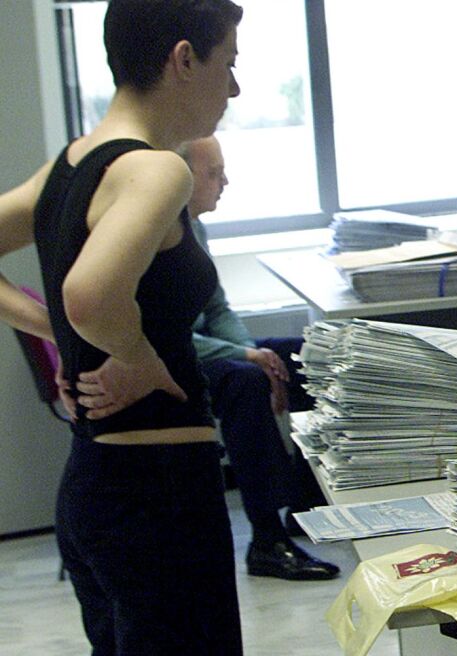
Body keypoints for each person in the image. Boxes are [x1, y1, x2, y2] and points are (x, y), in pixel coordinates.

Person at [0, 1, 246, 652]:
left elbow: (79, 304)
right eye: (229, 64)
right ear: (184, 59)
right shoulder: (156, 168)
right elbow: (87, 295)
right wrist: (132, 352)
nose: (235, 88)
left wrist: (60, 333)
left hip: (96, 487)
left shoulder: (69, 166)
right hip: (155, 495)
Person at [180, 136, 338, 581]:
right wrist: (247, 357)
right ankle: (267, 539)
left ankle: (307, 505)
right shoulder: (156, 232)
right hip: (172, 360)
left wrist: (258, 354)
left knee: (309, 358)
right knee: (244, 383)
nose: (224, 181)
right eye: (213, 173)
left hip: (214, 345)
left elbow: (217, 309)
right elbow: (168, 335)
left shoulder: (195, 225)